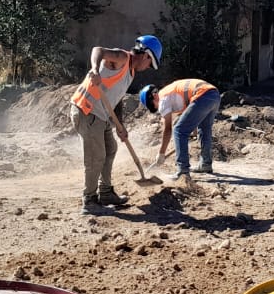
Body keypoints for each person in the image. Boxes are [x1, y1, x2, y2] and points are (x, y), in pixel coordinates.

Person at [69, 35, 163, 213]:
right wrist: (95, 70)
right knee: (96, 157)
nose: (148, 67)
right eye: (150, 63)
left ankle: (105, 192)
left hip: (101, 114)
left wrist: (120, 125)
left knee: (110, 149)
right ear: (145, 55)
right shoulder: (121, 58)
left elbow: (116, 99)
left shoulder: (130, 72)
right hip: (86, 110)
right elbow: (98, 50)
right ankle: (89, 200)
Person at [138, 78, 221, 184]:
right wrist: (193, 130)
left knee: (179, 130)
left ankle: (183, 171)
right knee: (205, 129)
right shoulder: (170, 94)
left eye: (153, 106)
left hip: (202, 95)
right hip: (213, 94)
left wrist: (161, 153)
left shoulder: (163, 99)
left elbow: (168, 129)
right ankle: (206, 164)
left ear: (153, 97)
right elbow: (191, 110)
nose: (157, 108)